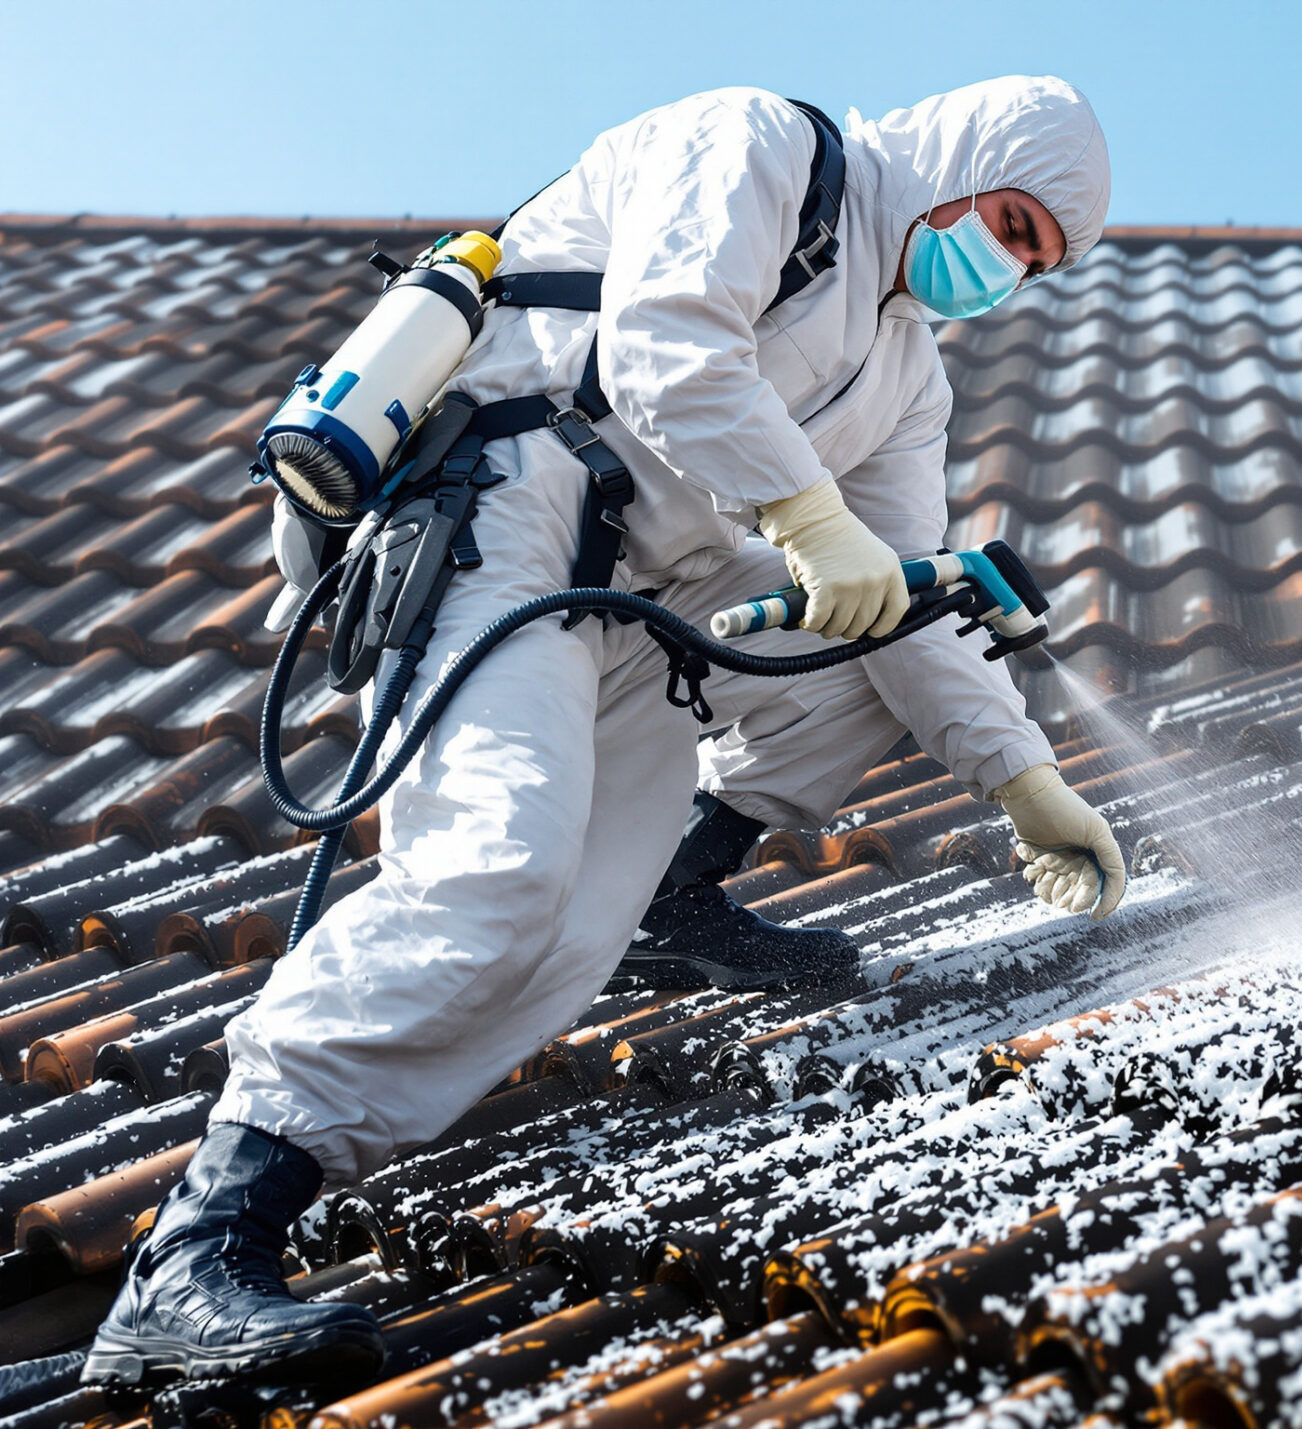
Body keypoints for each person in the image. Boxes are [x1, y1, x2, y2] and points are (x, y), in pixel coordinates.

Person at [83, 77, 1122, 1391]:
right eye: (1013, 225)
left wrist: (1022, 778)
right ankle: (196, 1251)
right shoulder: (765, 147)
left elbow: (901, 598)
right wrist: (812, 522)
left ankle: (676, 891)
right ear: (963, 159)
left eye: (1037, 263)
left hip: (638, 607)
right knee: (495, 870)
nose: (1006, 271)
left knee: (578, 929)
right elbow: (665, 345)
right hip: (502, 518)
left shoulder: (905, 376)